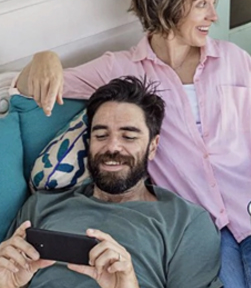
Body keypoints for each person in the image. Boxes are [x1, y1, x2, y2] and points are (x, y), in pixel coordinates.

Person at [15, 0, 251, 287]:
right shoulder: (120, 68)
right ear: (168, 2)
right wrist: (43, 57)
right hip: (203, 228)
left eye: (213, 1)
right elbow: (32, 87)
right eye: (202, 3)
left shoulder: (236, 61)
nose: (214, 15)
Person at [0, 76, 222, 288]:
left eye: (129, 136)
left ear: (152, 147)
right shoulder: (42, 205)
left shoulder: (186, 223)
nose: (112, 147)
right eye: (101, 135)